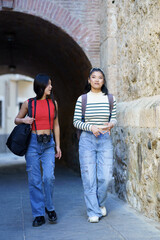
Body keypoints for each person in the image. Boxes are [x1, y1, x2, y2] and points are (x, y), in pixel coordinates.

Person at [15, 73, 62, 227]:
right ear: (40, 86)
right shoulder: (28, 104)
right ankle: (38, 214)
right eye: (48, 84)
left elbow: (56, 125)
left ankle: (50, 207)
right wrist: (24, 120)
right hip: (33, 145)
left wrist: (58, 146)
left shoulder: (53, 103)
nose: (51, 87)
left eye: (51, 84)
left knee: (49, 178)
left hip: (49, 144)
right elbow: (16, 119)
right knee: (34, 180)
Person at [73, 68, 117, 223]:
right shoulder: (82, 99)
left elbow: (114, 118)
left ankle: (100, 203)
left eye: (100, 77)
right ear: (89, 80)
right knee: (89, 177)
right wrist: (91, 127)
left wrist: (111, 124)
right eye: (94, 77)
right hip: (87, 140)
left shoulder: (110, 99)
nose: (97, 80)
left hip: (105, 139)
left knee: (105, 177)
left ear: (103, 81)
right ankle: (93, 211)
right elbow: (76, 121)